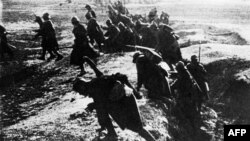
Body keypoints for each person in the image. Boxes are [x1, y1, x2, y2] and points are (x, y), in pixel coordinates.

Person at [73, 72, 154, 141]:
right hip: (121, 100)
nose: (80, 94)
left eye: (79, 91)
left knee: (137, 127)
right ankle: (112, 133)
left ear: (82, 86)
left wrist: (92, 106)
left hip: (126, 100)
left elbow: (101, 105)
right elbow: (101, 108)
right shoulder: (93, 86)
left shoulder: (95, 87)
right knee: (135, 127)